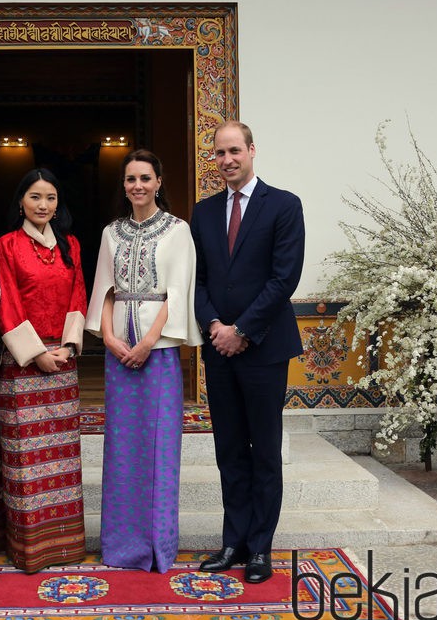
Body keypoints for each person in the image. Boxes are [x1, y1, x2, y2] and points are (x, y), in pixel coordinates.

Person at [190, 121, 305, 584]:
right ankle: (233, 541)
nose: (227, 160)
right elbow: (195, 280)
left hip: (263, 348)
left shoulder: (283, 205)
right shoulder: (203, 212)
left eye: (235, 150)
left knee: (263, 453)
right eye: (219, 153)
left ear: (252, 150)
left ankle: (260, 547)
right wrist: (216, 326)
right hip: (219, 349)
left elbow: (284, 278)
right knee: (229, 451)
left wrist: (242, 329)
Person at [86, 149, 202, 573]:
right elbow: (104, 291)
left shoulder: (178, 230)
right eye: (131, 179)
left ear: (159, 182)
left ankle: (157, 547)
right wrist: (112, 340)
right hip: (119, 354)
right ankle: (120, 547)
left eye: (145, 178)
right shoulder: (111, 233)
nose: (138, 185)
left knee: (158, 448)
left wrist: (148, 342)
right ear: (125, 185)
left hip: (159, 352)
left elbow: (179, 293)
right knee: (121, 448)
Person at [0, 168, 88, 573]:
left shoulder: (71, 245)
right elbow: (5, 300)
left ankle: (66, 545)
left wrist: (67, 346)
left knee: (62, 460)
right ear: (20, 203)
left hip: (63, 363)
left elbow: (78, 292)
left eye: (50, 197)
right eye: (35, 197)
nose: (43, 205)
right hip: (23, 366)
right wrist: (35, 354)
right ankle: (29, 548)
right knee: (26, 460)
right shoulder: (7, 245)